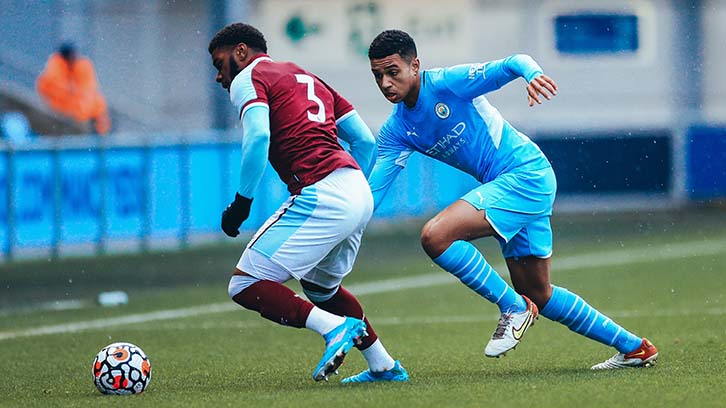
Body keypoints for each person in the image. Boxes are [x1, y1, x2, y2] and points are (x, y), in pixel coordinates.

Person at [363, 29, 658, 370]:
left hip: (524, 175)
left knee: (435, 235)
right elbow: (371, 196)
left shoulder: (447, 84)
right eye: (378, 76)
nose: (385, 83)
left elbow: (514, 62)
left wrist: (532, 75)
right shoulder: (396, 131)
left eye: (393, 72)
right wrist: (335, 220)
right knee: (538, 293)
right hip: (511, 185)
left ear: (415, 66)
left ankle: (513, 308)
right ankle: (635, 348)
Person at [208, 23, 409, 383]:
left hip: (324, 191)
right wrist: (350, 187)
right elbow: (364, 142)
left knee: (244, 284)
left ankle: (333, 330)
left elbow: (257, 137)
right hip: (355, 189)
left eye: (219, 64)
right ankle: (384, 366)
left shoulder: (249, 77)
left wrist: (241, 203)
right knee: (321, 289)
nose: (219, 77)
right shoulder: (307, 77)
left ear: (241, 52)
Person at [36, 42, 111, 135]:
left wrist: (81, 112)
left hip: (89, 114)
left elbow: (87, 92)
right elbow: (48, 86)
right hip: (67, 114)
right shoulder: (57, 65)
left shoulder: (82, 66)